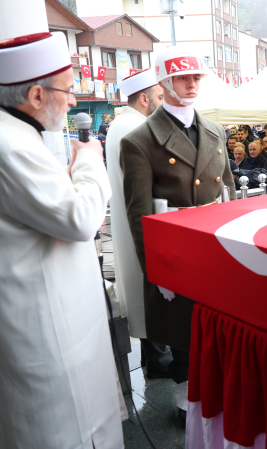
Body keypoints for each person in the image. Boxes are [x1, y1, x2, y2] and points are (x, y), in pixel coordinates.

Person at [0, 31, 123, 448]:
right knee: (63, 427)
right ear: (36, 95)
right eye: (68, 90)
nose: (74, 102)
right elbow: (79, 219)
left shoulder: (18, 136)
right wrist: (89, 163)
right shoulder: (10, 145)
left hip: (58, 308)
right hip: (44, 322)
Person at [120, 47, 235, 418]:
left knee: (218, 321)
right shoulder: (140, 141)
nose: (191, 84)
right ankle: (185, 390)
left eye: (196, 77)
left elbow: (228, 192)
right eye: (183, 78)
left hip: (215, 241)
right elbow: (138, 214)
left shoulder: (215, 130)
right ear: (164, 83)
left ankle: (216, 383)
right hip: (176, 248)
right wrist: (157, 268)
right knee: (184, 328)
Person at [106, 69, 172, 378]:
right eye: (160, 97)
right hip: (142, 223)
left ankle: (151, 357)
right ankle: (157, 360)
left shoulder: (119, 124)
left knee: (141, 289)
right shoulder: (138, 128)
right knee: (151, 290)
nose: (163, 102)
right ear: (144, 99)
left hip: (127, 220)